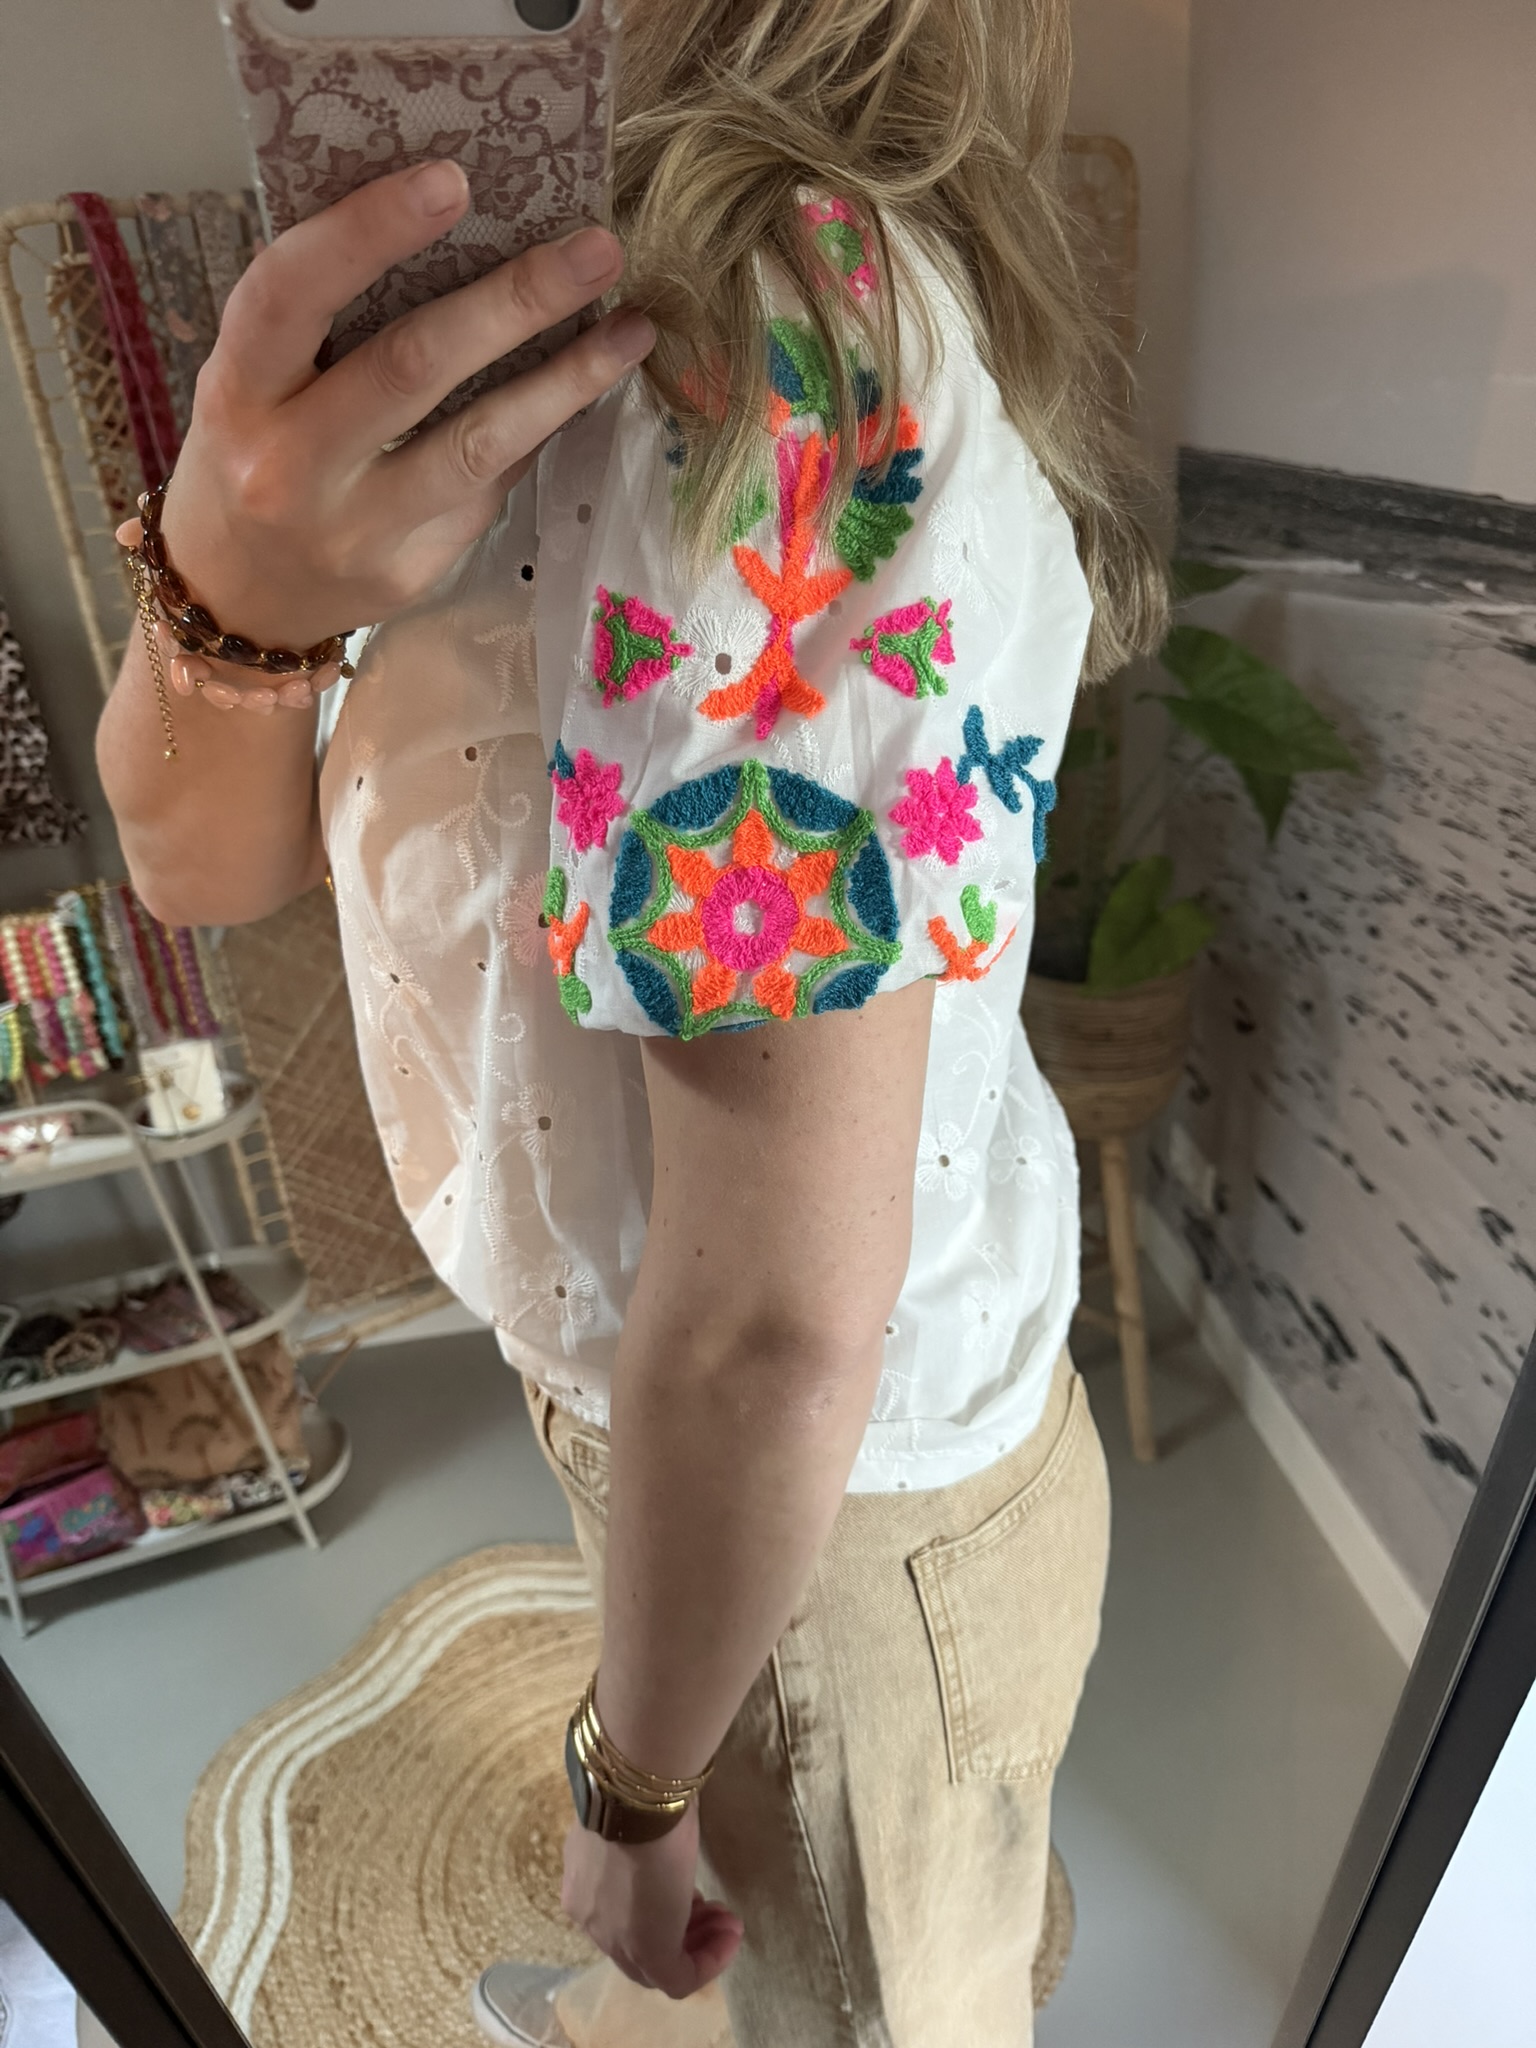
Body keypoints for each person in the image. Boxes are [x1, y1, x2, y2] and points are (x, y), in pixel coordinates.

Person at [98, 3, 1166, 2042]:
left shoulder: (783, 336)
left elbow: (774, 1331)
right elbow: (198, 864)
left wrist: (633, 1780)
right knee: (754, 1952)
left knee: (870, 1998)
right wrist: (226, 592)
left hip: (833, 1493)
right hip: (694, 1409)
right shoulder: (485, 285)